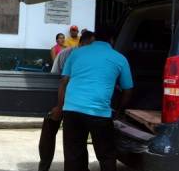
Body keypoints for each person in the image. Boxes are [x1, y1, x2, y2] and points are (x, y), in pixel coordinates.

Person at [51, 29, 133, 171]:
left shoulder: (76, 53)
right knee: (106, 155)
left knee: (73, 155)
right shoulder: (119, 58)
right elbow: (128, 89)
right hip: (99, 113)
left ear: (93, 39)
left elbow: (64, 81)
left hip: (72, 110)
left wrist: (59, 107)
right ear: (112, 41)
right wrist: (119, 111)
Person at [38, 31, 95, 171]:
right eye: (88, 44)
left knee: (76, 139)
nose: (89, 48)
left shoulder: (93, 57)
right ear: (81, 43)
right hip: (60, 99)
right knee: (48, 134)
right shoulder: (65, 54)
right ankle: (44, 166)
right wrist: (58, 106)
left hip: (78, 104)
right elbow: (55, 80)